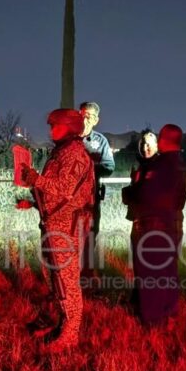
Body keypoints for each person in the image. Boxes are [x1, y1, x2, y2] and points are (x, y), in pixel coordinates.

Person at [19, 108, 95, 352]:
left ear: (70, 127)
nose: (52, 130)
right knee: (55, 279)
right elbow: (54, 193)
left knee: (67, 281)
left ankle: (70, 334)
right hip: (53, 223)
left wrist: (35, 179)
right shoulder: (60, 152)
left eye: (56, 126)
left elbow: (64, 189)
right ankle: (63, 325)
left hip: (67, 227)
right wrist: (33, 202)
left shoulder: (74, 154)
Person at [122, 125, 186, 325]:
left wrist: (130, 193)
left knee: (152, 274)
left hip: (154, 227)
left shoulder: (162, 166)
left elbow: (147, 195)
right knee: (167, 271)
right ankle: (169, 312)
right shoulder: (180, 164)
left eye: (159, 138)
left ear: (164, 140)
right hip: (172, 224)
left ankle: (153, 319)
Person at [79, 101, 114, 275]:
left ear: (96, 120)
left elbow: (109, 167)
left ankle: (87, 275)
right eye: (82, 114)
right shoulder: (70, 138)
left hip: (90, 200)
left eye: (89, 116)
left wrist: (89, 169)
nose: (85, 119)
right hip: (69, 198)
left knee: (89, 237)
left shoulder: (100, 141)